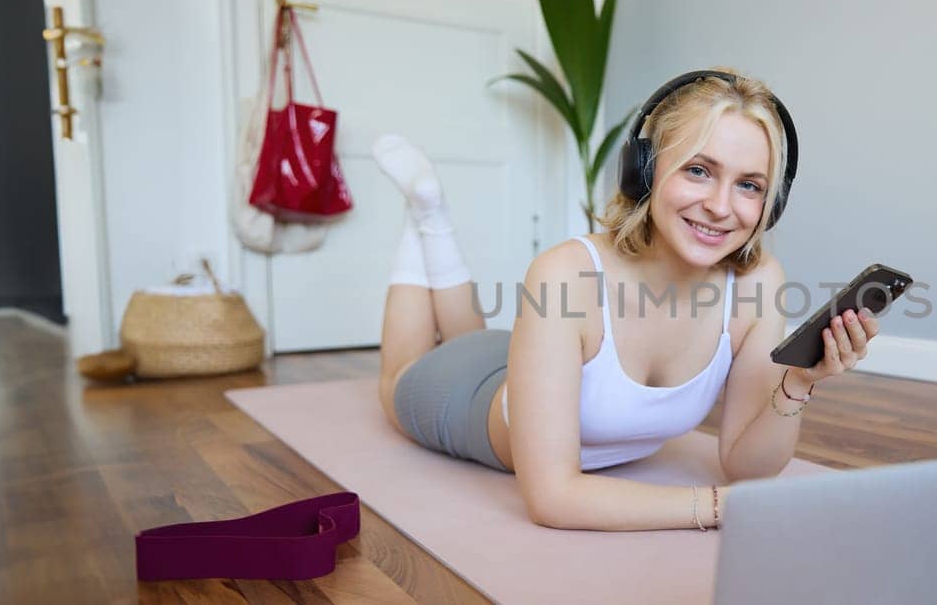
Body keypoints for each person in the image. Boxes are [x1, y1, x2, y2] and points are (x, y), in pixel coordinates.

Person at [374, 67, 881, 532]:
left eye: (749, 185)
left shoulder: (758, 282)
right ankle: (428, 218)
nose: (721, 207)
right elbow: (552, 497)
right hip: (462, 399)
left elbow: (747, 466)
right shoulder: (565, 273)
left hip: (524, 361)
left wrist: (797, 381)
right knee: (402, 371)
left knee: (476, 337)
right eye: (699, 171)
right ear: (645, 170)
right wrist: (721, 508)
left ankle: (430, 215)